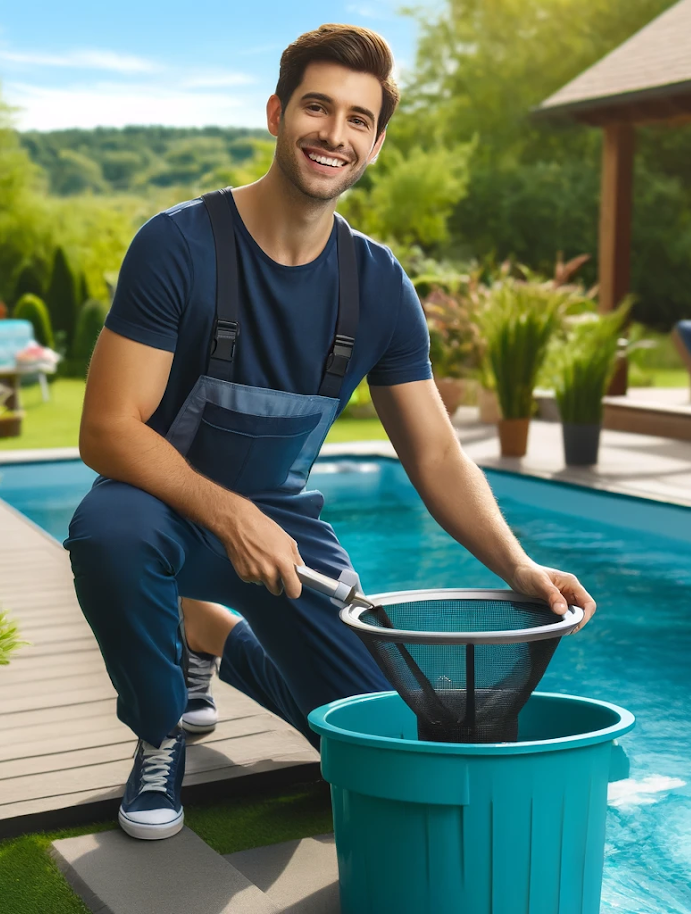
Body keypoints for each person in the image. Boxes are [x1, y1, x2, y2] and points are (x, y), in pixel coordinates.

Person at [66, 23, 595, 841]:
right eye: (317, 108)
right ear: (277, 113)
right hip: (163, 515)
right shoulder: (178, 246)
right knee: (108, 532)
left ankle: (212, 635)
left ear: (376, 143)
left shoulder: (378, 286)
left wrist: (518, 565)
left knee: (382, 742)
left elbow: (434, 452)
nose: (333, 134)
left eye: (357, 119)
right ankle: (159, 731)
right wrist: (231, 514)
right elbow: (106, 431)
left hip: (286, 536)